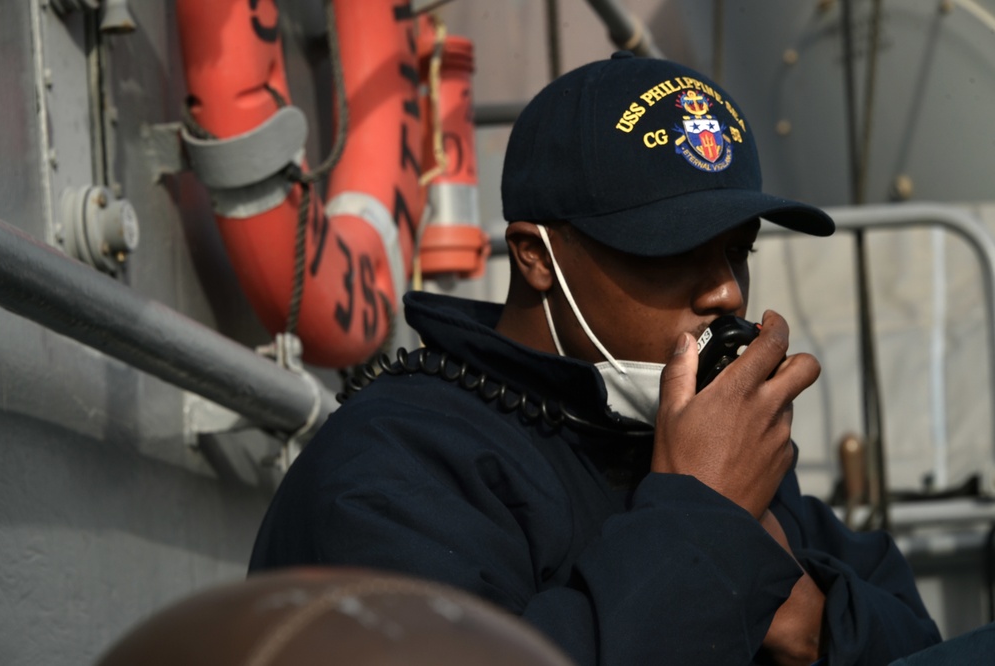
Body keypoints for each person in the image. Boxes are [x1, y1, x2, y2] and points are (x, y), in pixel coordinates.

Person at [249, 53, 941, 665]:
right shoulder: (390, 467)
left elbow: (926, 644)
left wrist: (813, 626)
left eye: (739, 250)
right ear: (535, 256)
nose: (727, 290)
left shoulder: (706, 445)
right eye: (673, 250)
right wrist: (703, 529)